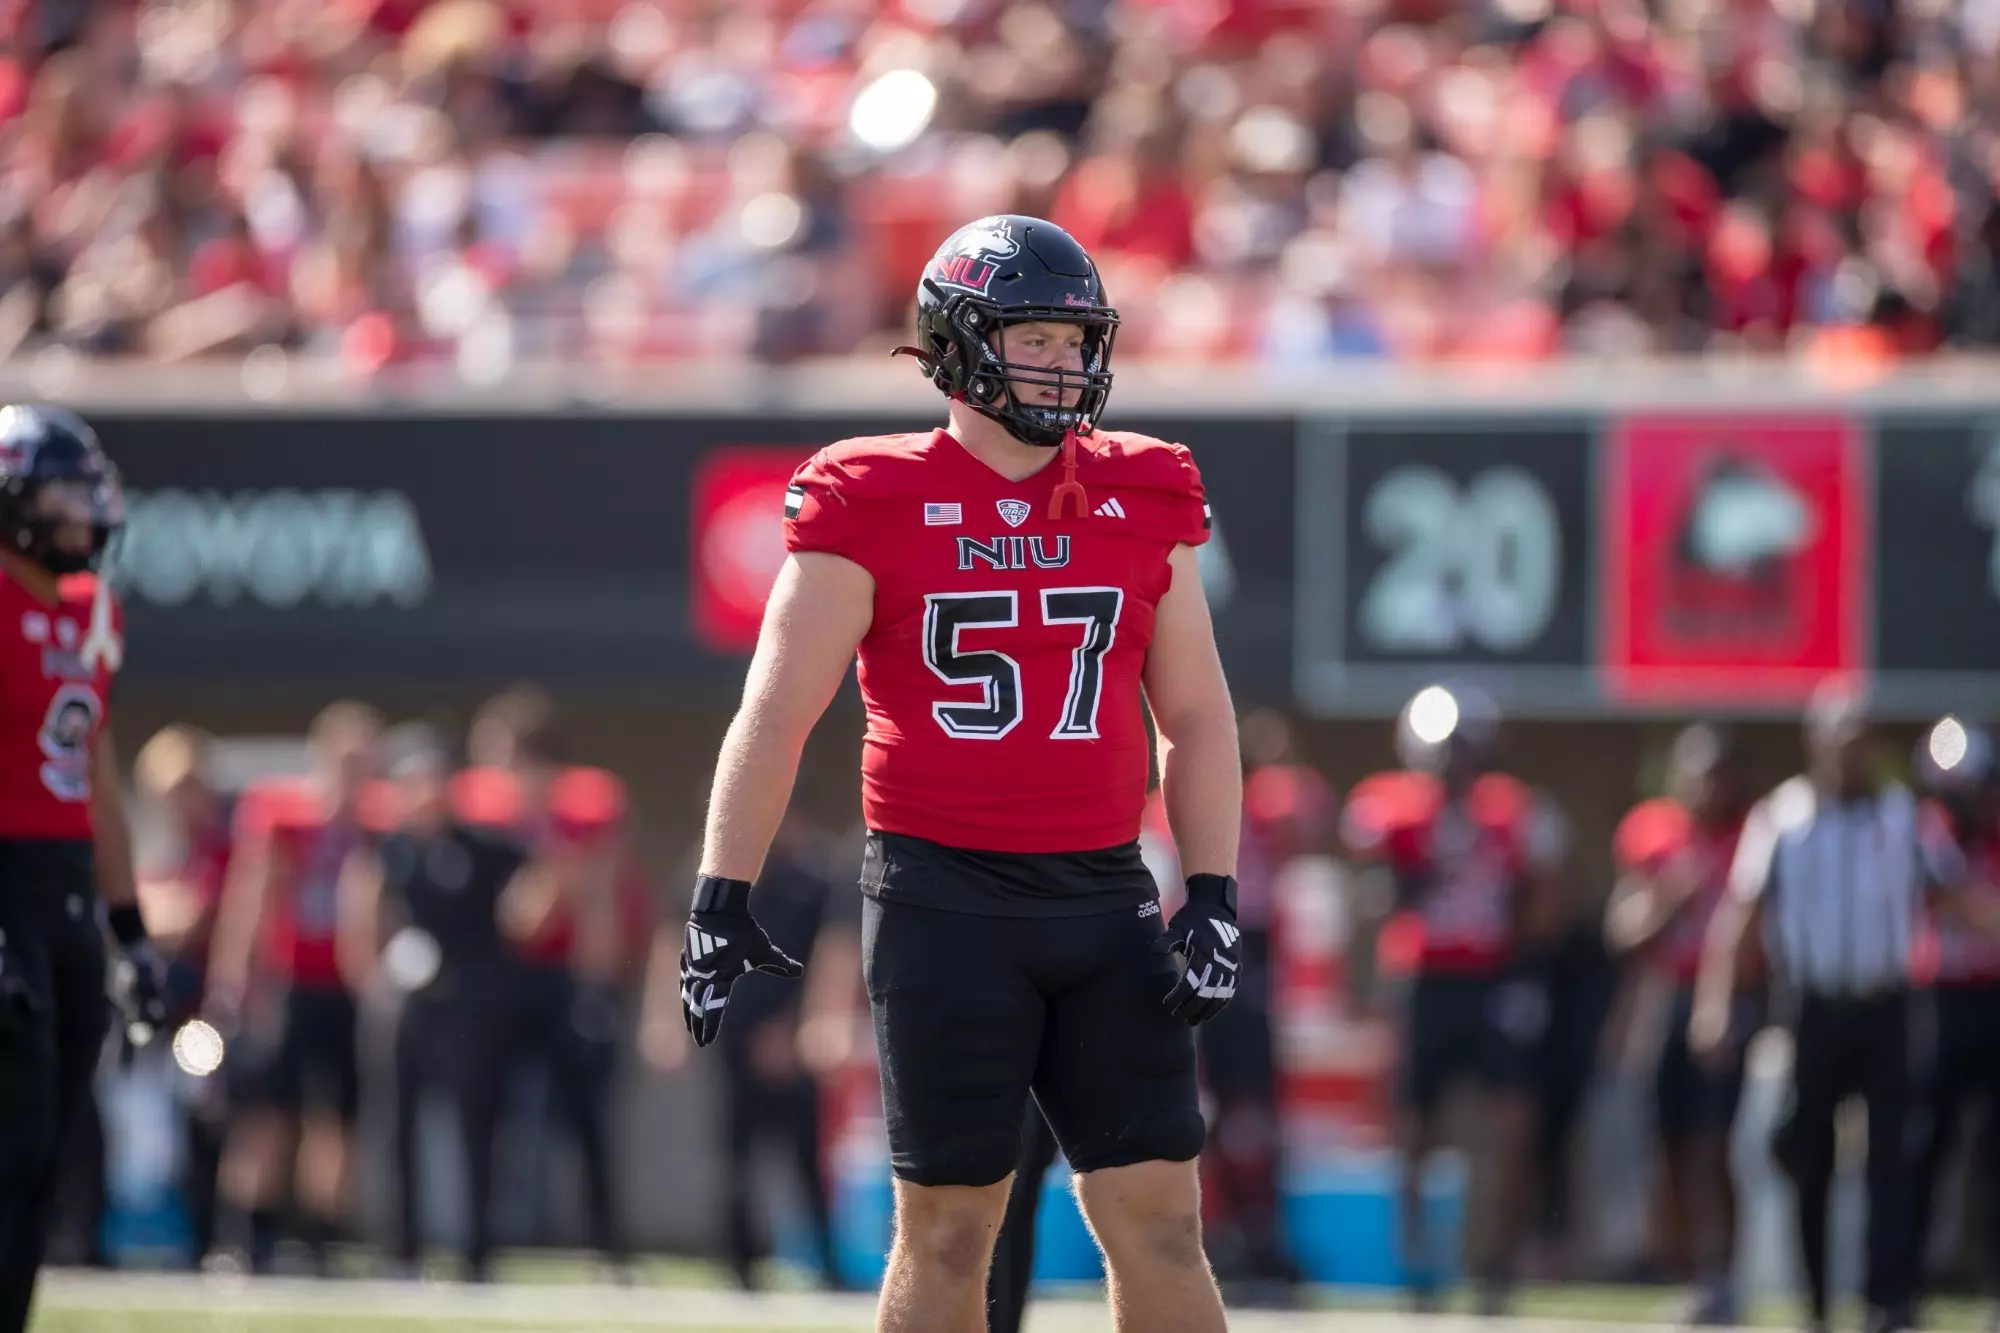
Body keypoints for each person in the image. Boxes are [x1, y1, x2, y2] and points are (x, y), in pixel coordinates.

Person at [678, 214, 1243, 1333]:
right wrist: (718, 894)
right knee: (946, 1231)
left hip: (1104, 897)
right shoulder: (867, 491)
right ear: (957, 343)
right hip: (944, 900)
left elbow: (1194, 713)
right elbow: (777, 712)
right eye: (1034, 338)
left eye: (1075, 340)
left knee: (1160, 1220)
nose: (1064, 364)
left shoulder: (1145, 485)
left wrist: (1214, 891)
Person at [1692, 685, 1986, 1333]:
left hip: (1887, 1005)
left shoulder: (1904, 817)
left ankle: (1887, 1300)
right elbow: (1741, 913)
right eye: (1838, 740)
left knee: (1891, 1159)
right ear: (1815, 742)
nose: (1849, 755)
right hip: (1812, 1004)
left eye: (1860, 741)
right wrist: (1714, 1002)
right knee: (1808, 1154)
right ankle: (1817, 1304)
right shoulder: (1781, 817)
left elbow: (1955, 895)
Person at [0, 404, 166, 1333]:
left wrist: (130, 931)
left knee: (44, 1159)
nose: (85, 511)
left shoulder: (93, 610)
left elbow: (97, 779)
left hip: (64, 896)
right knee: (11, 1137)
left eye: (89, 490)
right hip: (6, 888)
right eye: (64, 492)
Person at [1340, 683, 1566, 1314]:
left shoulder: (1515, 810)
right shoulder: (1392, 807)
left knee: (1512, 1126)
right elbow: (1369, 897)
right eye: (1444, 747)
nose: (1453, 761)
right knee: (1415, 1128)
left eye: (1464, 747)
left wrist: (1522, 968)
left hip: (1492, 977)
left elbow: (1545, 903)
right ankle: (1418, 1268)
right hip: (1423, 977)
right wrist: (1404, 885)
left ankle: (1496, 1266)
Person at [453, 688, 634, 1274]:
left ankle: (606, 1247)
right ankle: (477, 1247)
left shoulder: (583, 809)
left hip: (564, 978)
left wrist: (595, 986)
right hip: (496, 980)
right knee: (485, 1114)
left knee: (585, 1118)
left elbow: (596, 901)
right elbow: (504, 916)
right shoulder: (475, 815)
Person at [642, 808, 861, 1292]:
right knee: (733, 1156)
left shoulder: (814, 877)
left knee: (806, 1159)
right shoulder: (712, 873)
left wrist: (798, 1027)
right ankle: (738, 1265)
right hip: (731, 1035)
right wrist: (666, 1018)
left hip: (794, 1041)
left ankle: (826, 1264)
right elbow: (678, 940)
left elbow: (833, 953)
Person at [340, 730, 528, 1282]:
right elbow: (365, 917)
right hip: (406, 1008)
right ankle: (402, 1250)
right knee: (395, 1125)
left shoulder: (485, 847)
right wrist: (374, 980)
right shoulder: (389, 851)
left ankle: (477, 1252)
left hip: (470, 1007)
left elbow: (526, 907)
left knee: (476, 1126)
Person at [206, 701, 385, 1276]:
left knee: (339, 1120)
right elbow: (249, 899)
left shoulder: (381, 825)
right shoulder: (286, 815)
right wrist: (235, 982)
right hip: (286, 983)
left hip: (349, 987)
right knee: (268, 1113)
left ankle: (320, 1237)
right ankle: (245, 1235)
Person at [1605, 723, 1756, 1324]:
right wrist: (1670, 898)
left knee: (1715, 1145)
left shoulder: (1753, 835)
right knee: (1668, 1147)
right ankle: (1690, 1272)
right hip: (1668, 998)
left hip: (1735, 1001)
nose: (1706, 788)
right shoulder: (1653, 833)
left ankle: (1725, 1276)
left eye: (1717, 775)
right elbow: (1622, 932)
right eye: (1696, 775)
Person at [1904, 717, 2000, 1321]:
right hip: (1937, 1001)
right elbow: (1950, 900)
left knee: (1994, 1156)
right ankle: (1903, 1287)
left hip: (1993, 999)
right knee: (1922, 1147)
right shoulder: (1922, 834)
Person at [130, 723, 235, 1266]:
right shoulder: (154, 847)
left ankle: (208, 1234)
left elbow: (192, 917)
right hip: (154, 1011)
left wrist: (153, 913)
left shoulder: (222, 848)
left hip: (206, 1011)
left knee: (207, 1119)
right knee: (149, 1123)